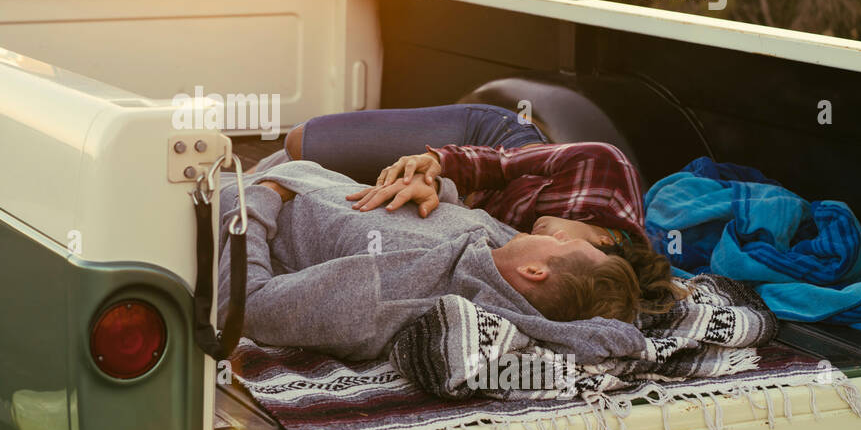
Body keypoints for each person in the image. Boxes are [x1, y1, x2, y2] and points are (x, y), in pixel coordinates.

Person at [217, 159, 642, 362]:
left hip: (231, 197)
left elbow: (245, 305)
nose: (560, 234)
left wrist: (262, 196)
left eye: (565, 244)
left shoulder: (394, 293)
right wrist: (432, 185)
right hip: (289, 173)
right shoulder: (501, 251)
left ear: (535, 272)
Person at [280, 104, 687, 313]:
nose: (546, 236)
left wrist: (435, 190)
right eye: (565, 238)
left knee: (343, 193)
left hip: (453, 198)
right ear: (604, 236)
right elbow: (501, 163)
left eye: (556, 246)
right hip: (489, 142)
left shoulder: (570, 274)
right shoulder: (603, 167)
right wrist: (434, 167)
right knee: (299, 142)